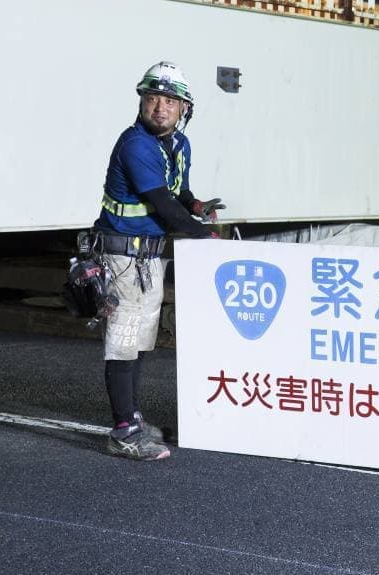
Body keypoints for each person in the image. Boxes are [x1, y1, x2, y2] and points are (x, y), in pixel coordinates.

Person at [94, 61, 223, 461]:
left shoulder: (178, 145)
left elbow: (177, 192)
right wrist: (202, 234)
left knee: (139, 343)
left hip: (149, 258)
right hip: (123, 258)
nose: (161, 107)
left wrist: (197, 205)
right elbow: (162, 203)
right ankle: (123, 431)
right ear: (142, 102)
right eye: (153, 98)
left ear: (184, 108)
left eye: (170, 100)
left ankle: (131, 416)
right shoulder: (136, 144)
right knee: (123, 343)